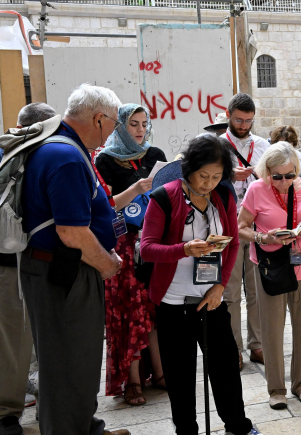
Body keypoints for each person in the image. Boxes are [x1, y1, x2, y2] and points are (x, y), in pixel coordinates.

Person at [19, 84, 130, 435]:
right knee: (70, 364)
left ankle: (83, 426)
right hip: (64, 272)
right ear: (99, 119)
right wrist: (107, 263)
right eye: (114, 124)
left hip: (59, 269)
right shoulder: (66, 156)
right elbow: (73, 233)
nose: (114, 132)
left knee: (72, 362)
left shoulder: (61, 148)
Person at [140, 135, 260, 435]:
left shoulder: (224, 197)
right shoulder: (164, 198)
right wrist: (183, 249)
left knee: (226, 367)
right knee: (179, 375)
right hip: (173, 302)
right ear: (189, 169)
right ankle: (186, 430)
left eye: (217, 177)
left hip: (211, 298)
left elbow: (232, 245)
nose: (209, 183)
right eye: (203, 176)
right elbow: (147, 248)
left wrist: (219, 285)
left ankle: (238, 425)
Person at [238, 142, 301, 409]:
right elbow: (241, 226)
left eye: (290, 175)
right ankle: (276, 389)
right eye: (277, 176)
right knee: (271, 329)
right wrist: (262, 236)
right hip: (270, 266)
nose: (284, 181)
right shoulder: (256, 189)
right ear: (266, 171)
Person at [0, 102, 55, 435]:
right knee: (16, 340)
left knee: (13, 341)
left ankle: (8, 414)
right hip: (14, 263)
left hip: (13, 264)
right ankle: (8, 413)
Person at [94, 104, 167, 405]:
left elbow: (170, 193)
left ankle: (161, 373)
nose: (139, 130)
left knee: (157, 308)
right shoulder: (105, 159)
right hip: (124, 242)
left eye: (144, 124)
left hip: (156, 239)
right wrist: (137, 188)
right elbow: (107, 204)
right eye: (133, 124)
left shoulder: (155, 154)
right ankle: (133, 380)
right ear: (121, 126)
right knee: (132, 310)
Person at [221, 93, 270, 368]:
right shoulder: (216, 146)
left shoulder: (262, 145)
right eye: (239, 120)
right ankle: (233, 347)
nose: (243, 125)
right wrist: (229, 176)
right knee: (229, 292)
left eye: (248, 120)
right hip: (227, 225)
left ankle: (258, 343)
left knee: (257, 288)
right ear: (229, 115)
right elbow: (201, 181)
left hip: (256, 224)